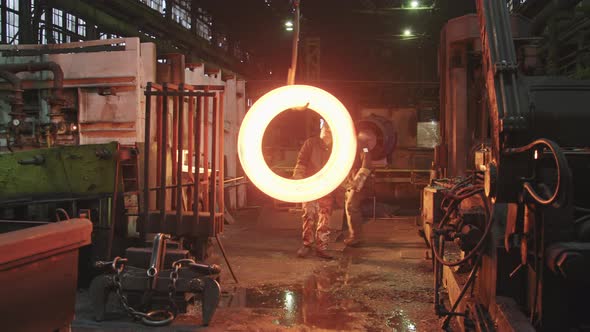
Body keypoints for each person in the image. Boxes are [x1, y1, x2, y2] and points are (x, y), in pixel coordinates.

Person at [292, 122, 335, 259]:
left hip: (327, 186)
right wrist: (298, 177)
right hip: (310, 185)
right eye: (325, 129)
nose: (327, 132)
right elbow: (302, 161)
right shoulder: (311, 143)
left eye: (330, 130)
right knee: (309, 214)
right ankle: (307, 245)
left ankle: (321, 247)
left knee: (324, 216)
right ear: (321, 129)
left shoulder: (337, 147)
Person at [340, 130, 374, 247]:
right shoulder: (347, 145)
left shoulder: (363, 146)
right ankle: (354, 235)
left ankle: (356, 237)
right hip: (351, 181)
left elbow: (366, 164)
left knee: (352, 206)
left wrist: (358, 181)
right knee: (350, 207)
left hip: (358, 182)